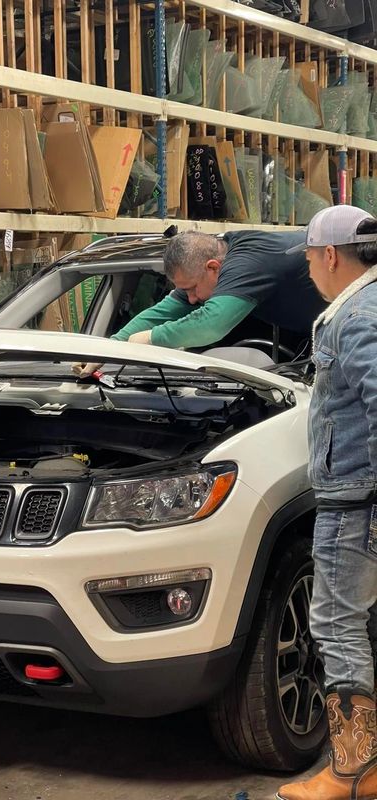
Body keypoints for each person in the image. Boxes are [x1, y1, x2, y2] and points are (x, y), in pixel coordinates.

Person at [277, 205, 377, 800]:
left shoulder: (355, 320)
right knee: (355, 625)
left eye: (311, 257)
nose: (310, 267)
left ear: (331, 256)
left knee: (336, 627)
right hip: (362, 497)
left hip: (355, 502)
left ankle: (352, 773)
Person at [73, 228, 326, 377]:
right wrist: (111, 349)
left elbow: (211, 325)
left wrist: (151, 338)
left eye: (192, 289)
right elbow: (161, 313)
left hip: (346, 330)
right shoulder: (208, 267)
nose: (192, 299)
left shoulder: (249, 262)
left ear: (213, 268)